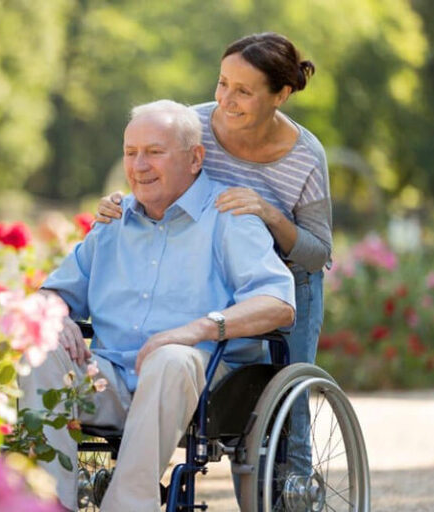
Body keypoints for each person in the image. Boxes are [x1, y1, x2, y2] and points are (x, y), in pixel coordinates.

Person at [19, 99, 295, 512]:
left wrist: (196, 329)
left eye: (155, 152)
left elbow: (278, 302)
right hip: (108, 381)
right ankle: (46, 505)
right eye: (131, 153)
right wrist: (54, 315)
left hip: (199, 388)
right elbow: (52, 292)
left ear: (195, 158)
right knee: (37, 347)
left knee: (171, 358)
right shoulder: (112, 223)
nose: (139, 165)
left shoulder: (228, 217)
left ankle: (128, 506)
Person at [95, 32, 330, 478]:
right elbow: (152, 174)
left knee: (289, 410)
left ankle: (296, 496)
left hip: (287, 279)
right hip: (206, 269)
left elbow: (319, 253)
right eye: (222, 83)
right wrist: (121, 202)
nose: (226, 99)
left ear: (280, 95)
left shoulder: (306, 157)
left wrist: (268, 214)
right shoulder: (194, 125)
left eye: (243, 90)